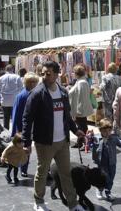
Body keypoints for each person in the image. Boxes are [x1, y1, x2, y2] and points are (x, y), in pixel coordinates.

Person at [22, 60, 86, 211]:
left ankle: (73, 204)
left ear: (57, 74)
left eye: (48, 73)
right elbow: (27, 118)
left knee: (66, 174)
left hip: (62, 142)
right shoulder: (37, 93)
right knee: (42, 173)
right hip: (44, 143)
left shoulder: (63, 92)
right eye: (42, 73)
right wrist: (26, 142)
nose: (44, 76)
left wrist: (75, 130)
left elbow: (67, 116)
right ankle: (38, 202)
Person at [11, 72, 39, 176]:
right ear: (26, 82)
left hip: (35, 126)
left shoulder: (35, 93)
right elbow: (17, 114)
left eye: (34, 82)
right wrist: (17, 130)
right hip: (26, 127)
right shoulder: (22, 96)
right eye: (30, 82)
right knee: (25, 149)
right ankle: (23, 168)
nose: (33, 84)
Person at [92, 118, 121, 201]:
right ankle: (99, 190)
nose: (107, 133)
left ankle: (108, 192)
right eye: (105, 131)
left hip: (112, 162)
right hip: (102, 164)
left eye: (109, 131)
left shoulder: (114, 138)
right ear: (100, 130)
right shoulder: (97, 139)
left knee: (111, 178)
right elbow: (94, 151)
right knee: (104, 178)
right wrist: (95, 160)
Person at [69, 64, 95, 137]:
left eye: (73, 72)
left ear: (77, 73)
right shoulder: (81, 81)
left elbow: (81, 97)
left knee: (82, 126)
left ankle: (84, 142)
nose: (72, 74)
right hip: (80, 109)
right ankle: (82, 142)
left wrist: (78, 110)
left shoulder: (81, 83)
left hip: (80, 109)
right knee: (82, 126)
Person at [0, 64, 23, 129]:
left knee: (6, 118)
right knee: (14, 117)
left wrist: (0, 97)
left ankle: (6, 132)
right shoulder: (17, 77)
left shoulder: (1, 78)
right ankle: (14, 133)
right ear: (13, 69)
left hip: (4, 101)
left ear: (5, 70)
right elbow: (21, 88)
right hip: (14, 100)